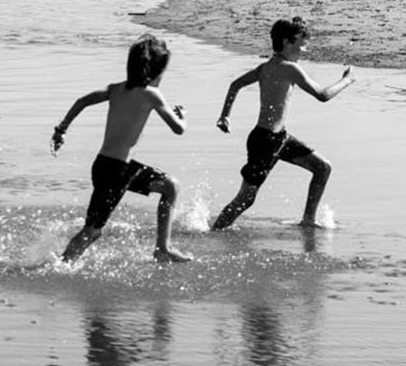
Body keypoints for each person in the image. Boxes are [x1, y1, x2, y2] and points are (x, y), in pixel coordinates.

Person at [51, 35, 190, 263]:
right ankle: (60, 265)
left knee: (170, 187)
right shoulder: (152, 95)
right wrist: (182, 116)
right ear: (156, 71)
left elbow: (82, 100)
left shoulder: (116, 89)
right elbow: (178, 129)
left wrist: (61, 129)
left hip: (113, 167)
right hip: (115, 172)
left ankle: (162, 249)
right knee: (93, 231)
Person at [210, 16, 353, 230]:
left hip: (278, 138)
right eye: (301, 43)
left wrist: (225, 116)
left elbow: (235, 85)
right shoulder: (289, 68)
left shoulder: (266, 67)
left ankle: (308, 220)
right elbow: (322, 95)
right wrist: (347, 80)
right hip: (265, 142)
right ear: (287, 42)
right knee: (246, 199)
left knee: (322, 167)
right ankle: (213, 232)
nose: (304, 48)